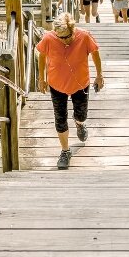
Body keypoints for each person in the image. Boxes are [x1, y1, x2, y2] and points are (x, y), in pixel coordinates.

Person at [37, 13, 105, 169]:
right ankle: (65, 151)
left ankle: (80, 124)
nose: (64, 41)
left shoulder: (84, 36)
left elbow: (95, 53)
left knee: (81, 115)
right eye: (60, 38)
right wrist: (41, 79)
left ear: (73, 29)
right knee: (60, 119)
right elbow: (41, 55)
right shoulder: (49, 38)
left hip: (80, 83)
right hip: (56, 84)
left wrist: (99, 75)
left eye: (67, 37)